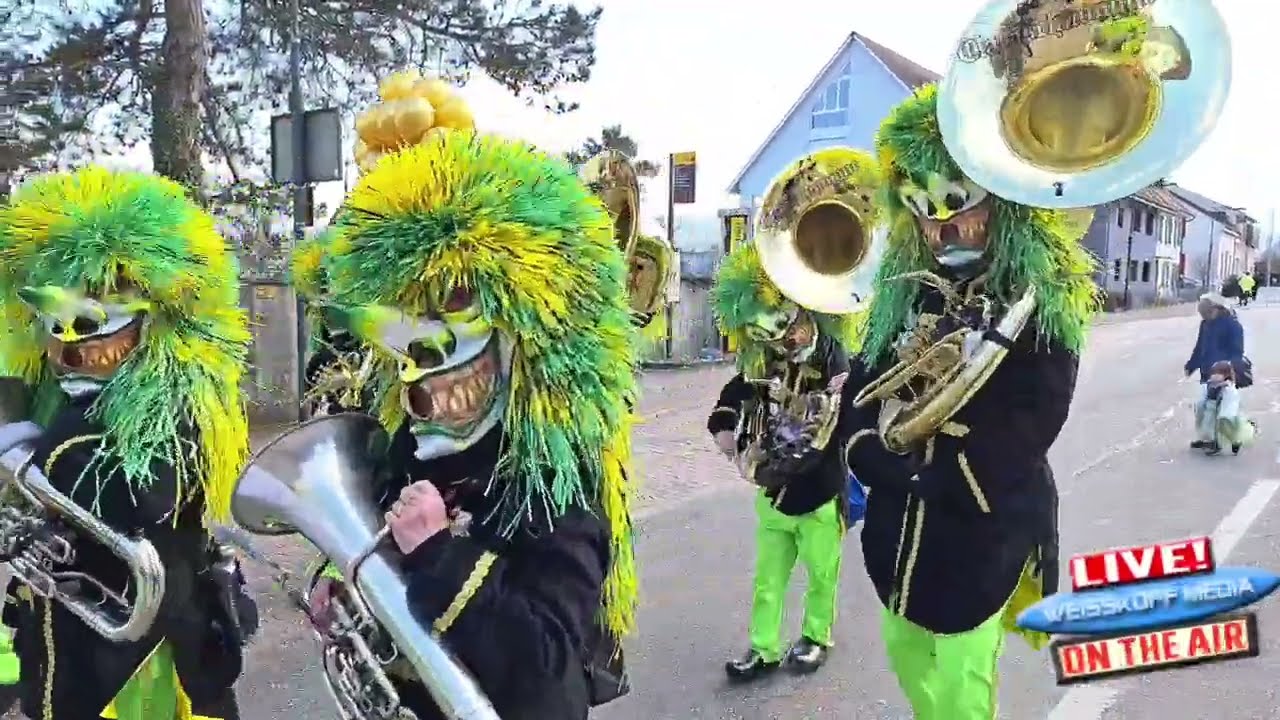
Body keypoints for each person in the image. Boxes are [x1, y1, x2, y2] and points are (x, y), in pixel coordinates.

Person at [303, 73, 638, 720]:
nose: (414, 350)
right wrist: (353, 593)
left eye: (451, 303)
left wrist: (442, 554)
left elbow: (551, 689)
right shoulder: (407, 449)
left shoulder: (553, 485)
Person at [834, 85, 1098, 720]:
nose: (941, 227)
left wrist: (943, 472)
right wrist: (872, 453)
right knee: (904, 650)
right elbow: (862, 389)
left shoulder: (1036, 298)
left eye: (956, 205)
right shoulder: (905, 294)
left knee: (961, 681)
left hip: (983, 522)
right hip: (902, 524)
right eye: (923, 211)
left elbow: (1036, 415)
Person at [0, 168, 256, 719]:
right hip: (70, 642)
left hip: (146, 664)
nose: (70, 348)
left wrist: (31, 451)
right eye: (55, 325)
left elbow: (132, 495)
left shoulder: (178, 407)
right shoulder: (62, 404)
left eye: (90, 322)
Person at [706, 199, 865, 682]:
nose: (787, 339)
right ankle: (764, 648)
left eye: (791, 327)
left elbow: (857, 412)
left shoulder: (840, 359)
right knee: (767, 581)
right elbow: (734, 393)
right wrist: (724, 428)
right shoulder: (767, 359)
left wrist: (848, 395)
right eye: (776, 332)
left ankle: (816, 638)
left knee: (821, 576)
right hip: (774, 491)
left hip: (821, 492)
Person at [1194, 360, 1257, 456]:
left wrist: (1224, 413)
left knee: (1223, 429)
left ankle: (1220, 444)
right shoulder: (1209, 384)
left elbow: (1231, 400)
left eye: (1218, 374)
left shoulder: (1228, 387)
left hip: (1221, 412)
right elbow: (1204, 396)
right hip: (1211, 410)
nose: (1214, 376)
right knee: (1207, 426)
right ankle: (1209, 441)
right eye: (1213, 373)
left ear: (1226, 375)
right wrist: (1201, 406)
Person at [1184, 292, 1244, 385]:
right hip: (1206, 372)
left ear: (1216, 309)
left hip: (1224, 376)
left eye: (1206, 313)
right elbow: (1199, 348)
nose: (1204, 317)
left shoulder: (1232, 325)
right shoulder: (1205, 324)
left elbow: (1237, 352)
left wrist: (1226, 372)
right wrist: (1191, 366)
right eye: (1202, 314)